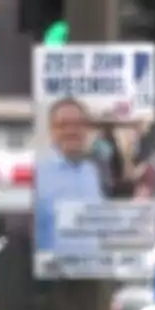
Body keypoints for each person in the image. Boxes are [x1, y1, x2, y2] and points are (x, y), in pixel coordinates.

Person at [34, 97, 104, 256]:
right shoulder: (38, 176)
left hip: (93, 274)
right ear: (52, 130)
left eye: (78, 124)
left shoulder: (91, 172)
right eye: (63, 125)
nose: (71, 131)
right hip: (54, 276)